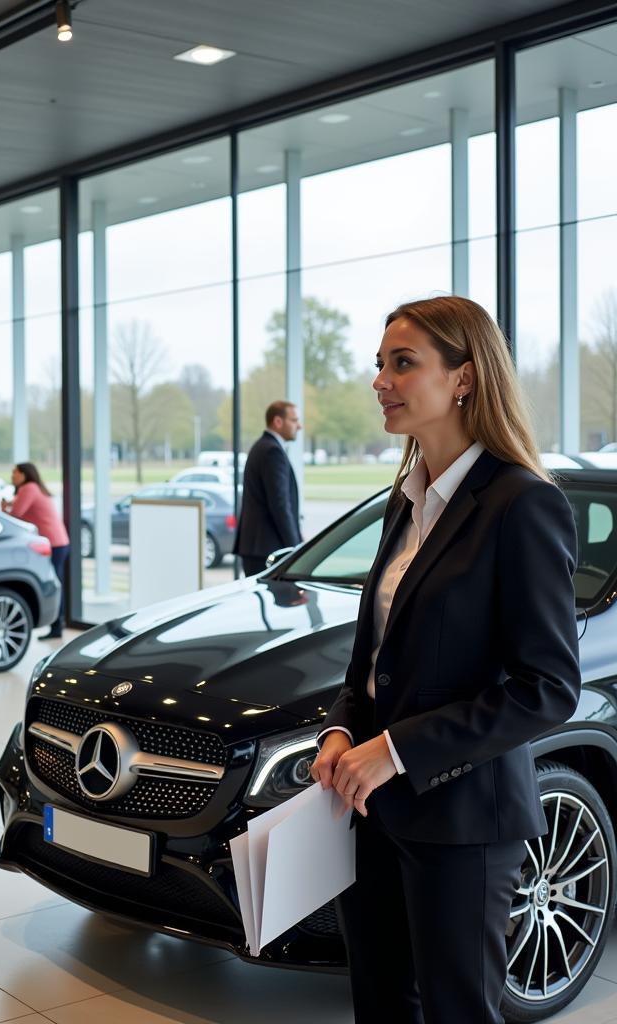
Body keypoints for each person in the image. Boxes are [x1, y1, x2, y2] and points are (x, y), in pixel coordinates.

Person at [310, 295, 580, 1024]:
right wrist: (341, 730)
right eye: (379, 365)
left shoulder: (521, 504)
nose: (380, 382)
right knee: (380, 1006)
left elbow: (547, 689)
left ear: (463, 378)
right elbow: (373, 659)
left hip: (464, 822)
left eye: (404, 364)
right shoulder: (404, 501)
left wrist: (395, 750)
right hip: (370, 813)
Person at [234, 399, 303, 576]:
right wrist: (297, 549)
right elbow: (280, 504)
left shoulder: (263, 447)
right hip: (267, 550)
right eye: (294, 420)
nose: (299, 426)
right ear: (278, 422)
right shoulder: (272, 451)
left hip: (258, 547)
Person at [2, 461, 68, 638]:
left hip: (54, 543)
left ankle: (57, 626)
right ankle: (57, 625)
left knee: (54, 584)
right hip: (58, 542)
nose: (12, 476)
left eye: (15, 472)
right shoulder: (33, 488)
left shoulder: (29, 488)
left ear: (24, 475)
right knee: (56, 582)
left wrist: (4, 509)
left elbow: (16, 515)